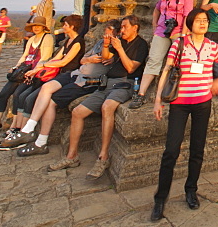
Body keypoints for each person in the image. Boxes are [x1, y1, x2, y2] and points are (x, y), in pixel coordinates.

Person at [151, 9, 218, 221]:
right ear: (190, 23)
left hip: (202, 103)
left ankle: (191, 190)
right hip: (180, 103)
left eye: (205, 20)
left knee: (197, 149)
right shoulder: (179, 44)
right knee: (171, 150)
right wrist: (158, 100)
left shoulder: (211, 46)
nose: (203, 23)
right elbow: (167, 71)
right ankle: (160, 199)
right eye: (199, 20)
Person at [49, 15, 148, 178]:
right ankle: (71, 156)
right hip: (107, 83)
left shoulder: (141, 45)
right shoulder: (120, 41)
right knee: (78, 112)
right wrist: (108, 45)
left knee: (107, 107)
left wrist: (120, 49)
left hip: (125, 84)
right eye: (121, 27)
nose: (121, 30)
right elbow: (107, 57)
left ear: (135, 28)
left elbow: (131, 68)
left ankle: (103, 156)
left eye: (124, 27)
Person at [0, 20, 114, 155]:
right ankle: (28, 129)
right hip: (74, 74)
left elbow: (104, 57)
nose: (106, 35)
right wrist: (40, 67)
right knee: (45, 88)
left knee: (42, 99)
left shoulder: (90, 43)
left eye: (109, 32)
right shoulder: (94, 43)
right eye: (105, 31)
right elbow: (82, 60)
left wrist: (105, 46)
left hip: (86, 81)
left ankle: (39, 140)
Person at [128, 0, 193, 108]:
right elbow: (157, 9)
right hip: (163, 30)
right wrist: (154, 26)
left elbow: (188, 14)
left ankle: (178, 93)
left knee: (179, 62)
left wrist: (184, 34)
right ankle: (141, 94)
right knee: (153, 60)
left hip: (179, 30)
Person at [0, 15, 55, 135]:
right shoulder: (31, 39)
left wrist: (35, 71)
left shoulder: (47, 38)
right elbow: (25, 56)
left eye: (39, 26)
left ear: (43, 27)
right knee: (4, 93)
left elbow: (45, 57)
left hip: (32, 72)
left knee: (18, 95)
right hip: (23, 70)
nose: (36, 28)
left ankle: (14, 125)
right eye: (34, 26)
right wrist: (16, 67)